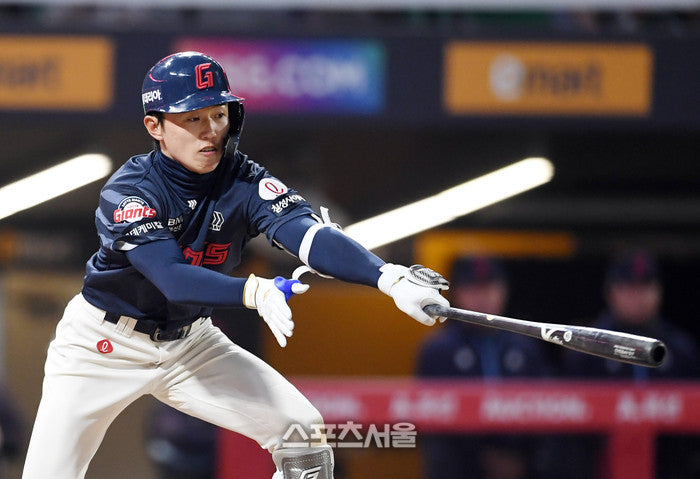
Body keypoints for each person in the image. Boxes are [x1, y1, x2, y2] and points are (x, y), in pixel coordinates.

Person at [21, 51, 450, 479]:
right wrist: (254, 290)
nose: (210, 131)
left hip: (190, 342)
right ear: (155, 127)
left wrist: (387, 277)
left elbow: (306, 234)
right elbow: (172, 278)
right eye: (192, 118)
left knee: (302, 433)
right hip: (103, 345)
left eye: (218, 115)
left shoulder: (242, 178)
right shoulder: (130, 191)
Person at [561, 249, 700, 479]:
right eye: (628, 287)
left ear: (659, 290)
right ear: (611, 291)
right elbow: (568, 428)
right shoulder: (585, 347)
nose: (638, 296)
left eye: (645, 286)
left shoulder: (681, 349)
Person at [416, 256, 555, 479]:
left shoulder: (525, 346)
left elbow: (548, 412)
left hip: (522, 467)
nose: (483, 296)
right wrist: (484, 459)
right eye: (473, 288)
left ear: (504, 289)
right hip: (460, 470)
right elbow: (432, 424)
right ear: (456, 293)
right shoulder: (438, 350)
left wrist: (521, 459)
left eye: (490, 286)